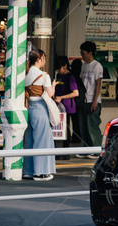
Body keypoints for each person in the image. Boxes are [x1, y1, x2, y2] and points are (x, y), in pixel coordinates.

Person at [23, 48, 56, 181]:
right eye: (43, 58)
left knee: (30, 140)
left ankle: (28, 171)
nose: (44, 61)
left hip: (28, 108)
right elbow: (49, 94)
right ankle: (41, 172)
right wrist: (53, 85)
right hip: (40, 108)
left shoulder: (25, 75)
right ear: (38, 59)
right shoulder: (44, 75)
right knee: (42, 140)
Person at [78, 41, 104, 151]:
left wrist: (94, 101)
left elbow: (98, 85)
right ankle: (86, 149)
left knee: (92, 126)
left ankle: (97, 149)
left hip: (93, 100)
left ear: (90, 52)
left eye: (83, 52)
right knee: (83, 127)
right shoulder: (84, 65)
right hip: (84, 100)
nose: (81, 54)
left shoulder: (97, 66)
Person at [53, 55, 80, 156]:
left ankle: (66, 152)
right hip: (58, 105)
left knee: (65, 128)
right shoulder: (59, 76)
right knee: (58, 127)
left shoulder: (70, 77)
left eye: (59, 68)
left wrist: (61, 97)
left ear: (65, 66)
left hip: (67, 106)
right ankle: (58, 152)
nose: (58, 71)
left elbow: (75, 93)